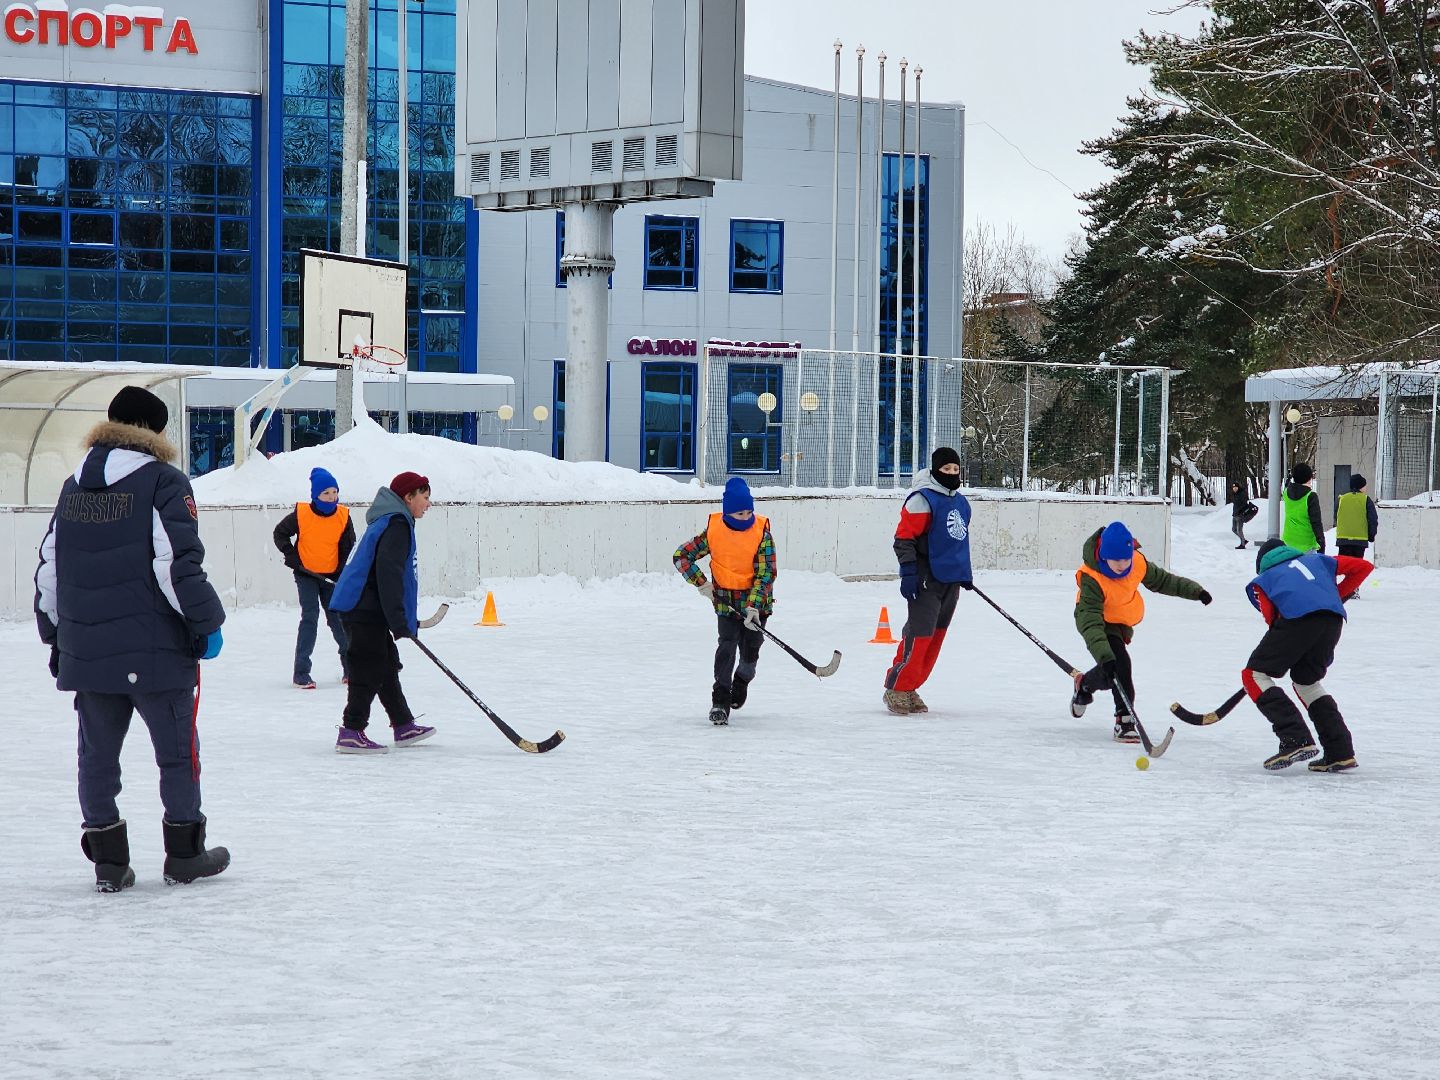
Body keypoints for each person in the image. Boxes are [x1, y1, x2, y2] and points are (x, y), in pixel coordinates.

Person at [34, 385, 230, 892]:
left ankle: (108, 860)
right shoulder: (164, 481)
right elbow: (178, 567)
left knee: (96, 757)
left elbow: (49, 570)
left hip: (88, 651)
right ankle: (185, 853)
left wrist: (56, 635)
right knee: (176, 755)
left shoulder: (72, 486)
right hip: (156, 650)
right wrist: (207, 624)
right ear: (155, 432)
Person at [1069, 521, 1211, 743]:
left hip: (1120, 621)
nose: (1122, 564)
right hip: (1096, 620)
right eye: (1116, 559)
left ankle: (1085, 684)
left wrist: (1196, 591)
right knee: (1119, 664)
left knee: (1111, 671)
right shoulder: (1092, 577)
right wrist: (1104, 656)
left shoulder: (1136, 563)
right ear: (1104, 556)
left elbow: (1164, 581)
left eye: (1126, 558)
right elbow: (1091, 624)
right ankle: (1124, 720)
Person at [327, 471, 436, 753]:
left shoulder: (390, 520)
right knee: (369, 667)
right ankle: (351, 730)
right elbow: (389, 575)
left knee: (385, 665)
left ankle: (403, 724)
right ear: (408, 497)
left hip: (364, 606)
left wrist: (399, 618)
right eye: (424, 497)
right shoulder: (397, 524)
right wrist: (399, 621)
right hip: (363, 607)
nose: (428, 504)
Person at [1243, 538, 1372, 772]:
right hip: (1332, 621)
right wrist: (1334, 596)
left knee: (1254, 675)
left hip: (1296, 621)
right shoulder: (1318, 560)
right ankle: (1339, 751)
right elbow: (1364, 567)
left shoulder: (1264, 579)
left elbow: (1272, 619)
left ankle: (1295, 738)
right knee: (1307, 682)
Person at [673, 477, 778, 726]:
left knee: (751, 646)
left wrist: (754, 605)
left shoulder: (762, 533)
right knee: (727, 646)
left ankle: (743, 676)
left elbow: (766, 573)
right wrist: (702, 583)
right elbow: (681, 556)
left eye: (749, 511)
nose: (745, 517)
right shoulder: (714, 531)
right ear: (728, 512)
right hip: (725, 602)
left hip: (756, 603)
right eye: (740, 513)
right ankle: (720, 700)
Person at [883, 447, 974, 716]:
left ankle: (911, 686)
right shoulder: (922, 500)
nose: (951, 474)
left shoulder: (961, 502)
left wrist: (964, 573)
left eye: (955, 470)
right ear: (935, 470)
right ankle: (897, 687)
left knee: (936, 637)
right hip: (926, 578)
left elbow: (958, 541)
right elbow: (904, 539)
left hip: (950, 580)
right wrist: (909, 572)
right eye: (946, 470)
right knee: (919, 634)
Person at [273, 466, 355, 689]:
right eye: (326, 493)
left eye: (334, 492)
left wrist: (339, 570)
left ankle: (350, 668)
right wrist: (292, 556)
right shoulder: (302, 514)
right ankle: (301, 673)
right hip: (306, 575)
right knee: (310, 618)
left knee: (337, 620)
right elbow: (279, 533)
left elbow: (348, 543)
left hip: (330, 577)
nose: (332, 497)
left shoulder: (343, 516)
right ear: (315, 495)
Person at [1281, 462, 1325, 554]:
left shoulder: (1286, 493)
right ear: (1309, 478)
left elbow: (1288, 486)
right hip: (1306, 544)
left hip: (1288, 540)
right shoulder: (1311, 496)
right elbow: (1316, 522)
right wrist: (1321, 541)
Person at [1334, 473, 1378, 559]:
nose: (1366, 487)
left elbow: (1336, 516)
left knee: (1344, 566)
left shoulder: (1341, 499)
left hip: (1343, 540)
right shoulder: (1366, 499)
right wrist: (1371, 535)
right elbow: (1372, 519)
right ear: (1360, 487)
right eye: (1365, 485)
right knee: (1356, 567)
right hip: (1360, 541)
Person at [1227, 480, 1256, 549]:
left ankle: (1242, 544)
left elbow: (1243, 504)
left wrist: (1240, 512)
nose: (1234, 489)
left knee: (1239, 530)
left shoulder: (1242, 493)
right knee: (1234, 529)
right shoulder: (1234, 494)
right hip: (1235, 514)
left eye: (1236, 487)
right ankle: (1244, 540)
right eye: (1233, 488)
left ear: (1238, 487)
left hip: (1240, 515)